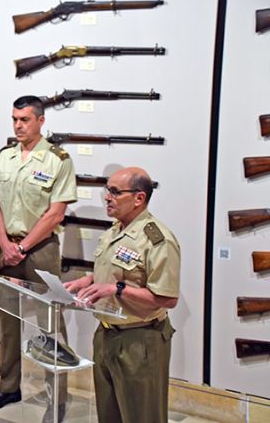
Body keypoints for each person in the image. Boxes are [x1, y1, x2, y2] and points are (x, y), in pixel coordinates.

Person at [0, 96, 77, 416]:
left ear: (40, 121)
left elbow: (56, 213)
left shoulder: (58, 159)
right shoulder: (5, 157)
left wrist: (21, 248)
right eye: (14, 119)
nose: (18, 125)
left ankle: (57, 397)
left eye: (24, 119)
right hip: (7, 248)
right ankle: (9, 387)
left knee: (50, 325)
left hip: (39, 250)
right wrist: (4, 242)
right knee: (7, 322)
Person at [64, 167, 180, 423]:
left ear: (139, 198)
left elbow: (167, 298)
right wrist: (89, 280)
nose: (107, 197)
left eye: (115, 192)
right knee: (109, 415)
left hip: (139, 341)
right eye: (107, 190)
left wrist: (116, 290)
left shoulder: (158, 240)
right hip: (106, 335)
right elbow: (116, 274)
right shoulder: (114, 231)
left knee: (142, 416)